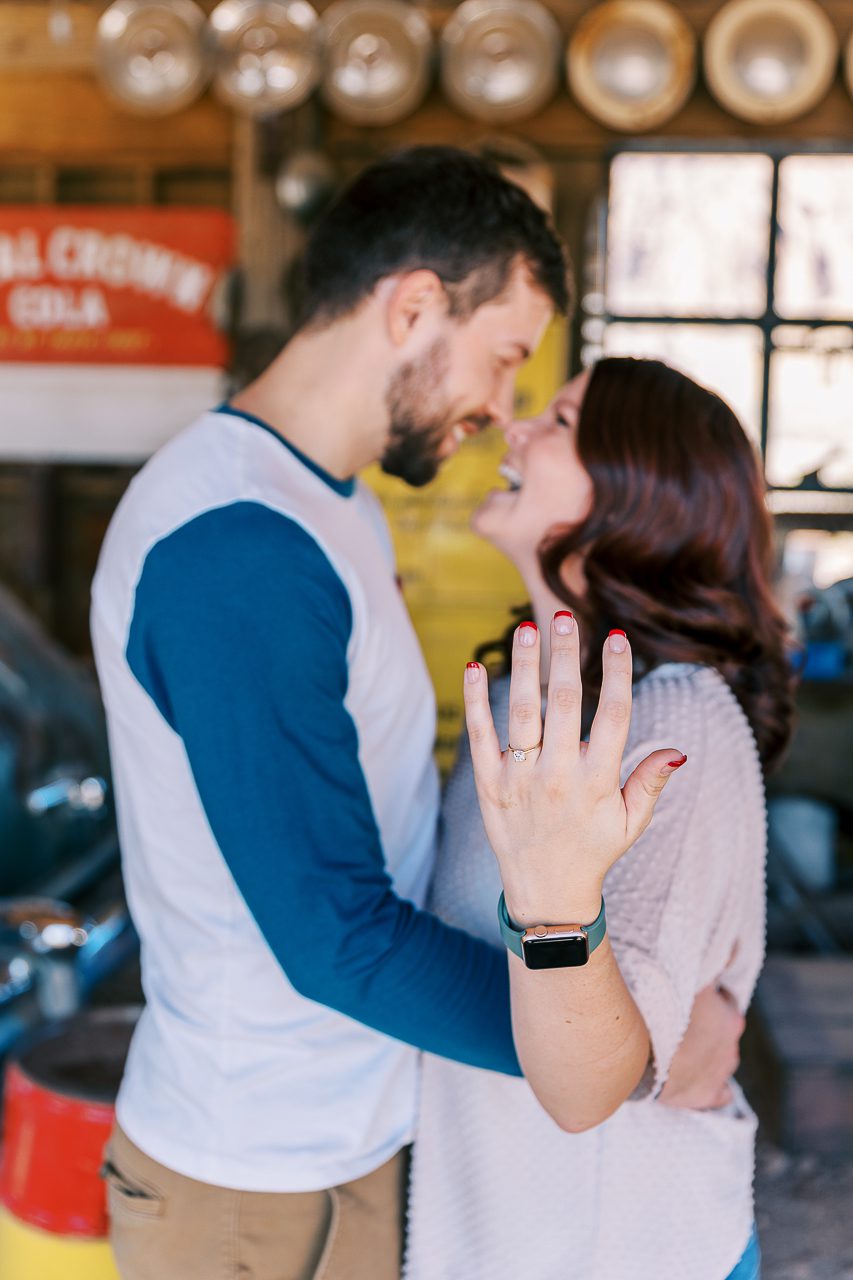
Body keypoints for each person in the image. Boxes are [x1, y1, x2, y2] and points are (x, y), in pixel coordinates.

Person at [92, 148, 744, 1280]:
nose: (500, 411)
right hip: (260, 1174)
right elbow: (333, 931)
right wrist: (605, 1045)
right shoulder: (236, 544)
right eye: (501, 359)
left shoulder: (329, 505)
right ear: (411, 307)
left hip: (358, 1136)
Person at [406, 358, 794, 1280]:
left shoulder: (679, 723)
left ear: (635, 493)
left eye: (563, 421)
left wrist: (555, 910)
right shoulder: (513, 700)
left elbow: (590, 1088)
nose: (517, 429)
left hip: (618, 1250)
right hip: (490, 1234)